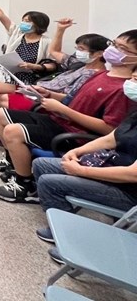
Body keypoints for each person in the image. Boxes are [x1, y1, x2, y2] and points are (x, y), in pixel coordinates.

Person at [0, 30, 137, 204]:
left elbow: (109, 129)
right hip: (59, 120)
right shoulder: (101, 74)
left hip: (76, 133)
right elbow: (72, 99)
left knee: (13, 131)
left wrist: (64, 110)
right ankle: (14, 162)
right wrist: (48, 94)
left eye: (122, 48)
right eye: (114, 44)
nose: (114, 49)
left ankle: (24, 185)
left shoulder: (124, 90)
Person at [32, 66, 137, 245]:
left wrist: (80, 171)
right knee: (41, 164)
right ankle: (60, 217)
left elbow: (132, 174)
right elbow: (110, 139)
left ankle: (69, 239)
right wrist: (77, 151)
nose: (130, 83)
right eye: (132, 78)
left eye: (136, 80)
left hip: (129, 192)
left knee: (50, 183)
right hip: (110, 166)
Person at [0, 26, 108, 142]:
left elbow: (70, 98)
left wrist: (43, 85)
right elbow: (55, 52)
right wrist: (60, 29)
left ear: (99, 53)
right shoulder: (79, 64)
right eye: (77, 48)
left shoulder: (93, 76)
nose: (77, 52)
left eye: (81, 49)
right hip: (38, 88)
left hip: (44, 98)